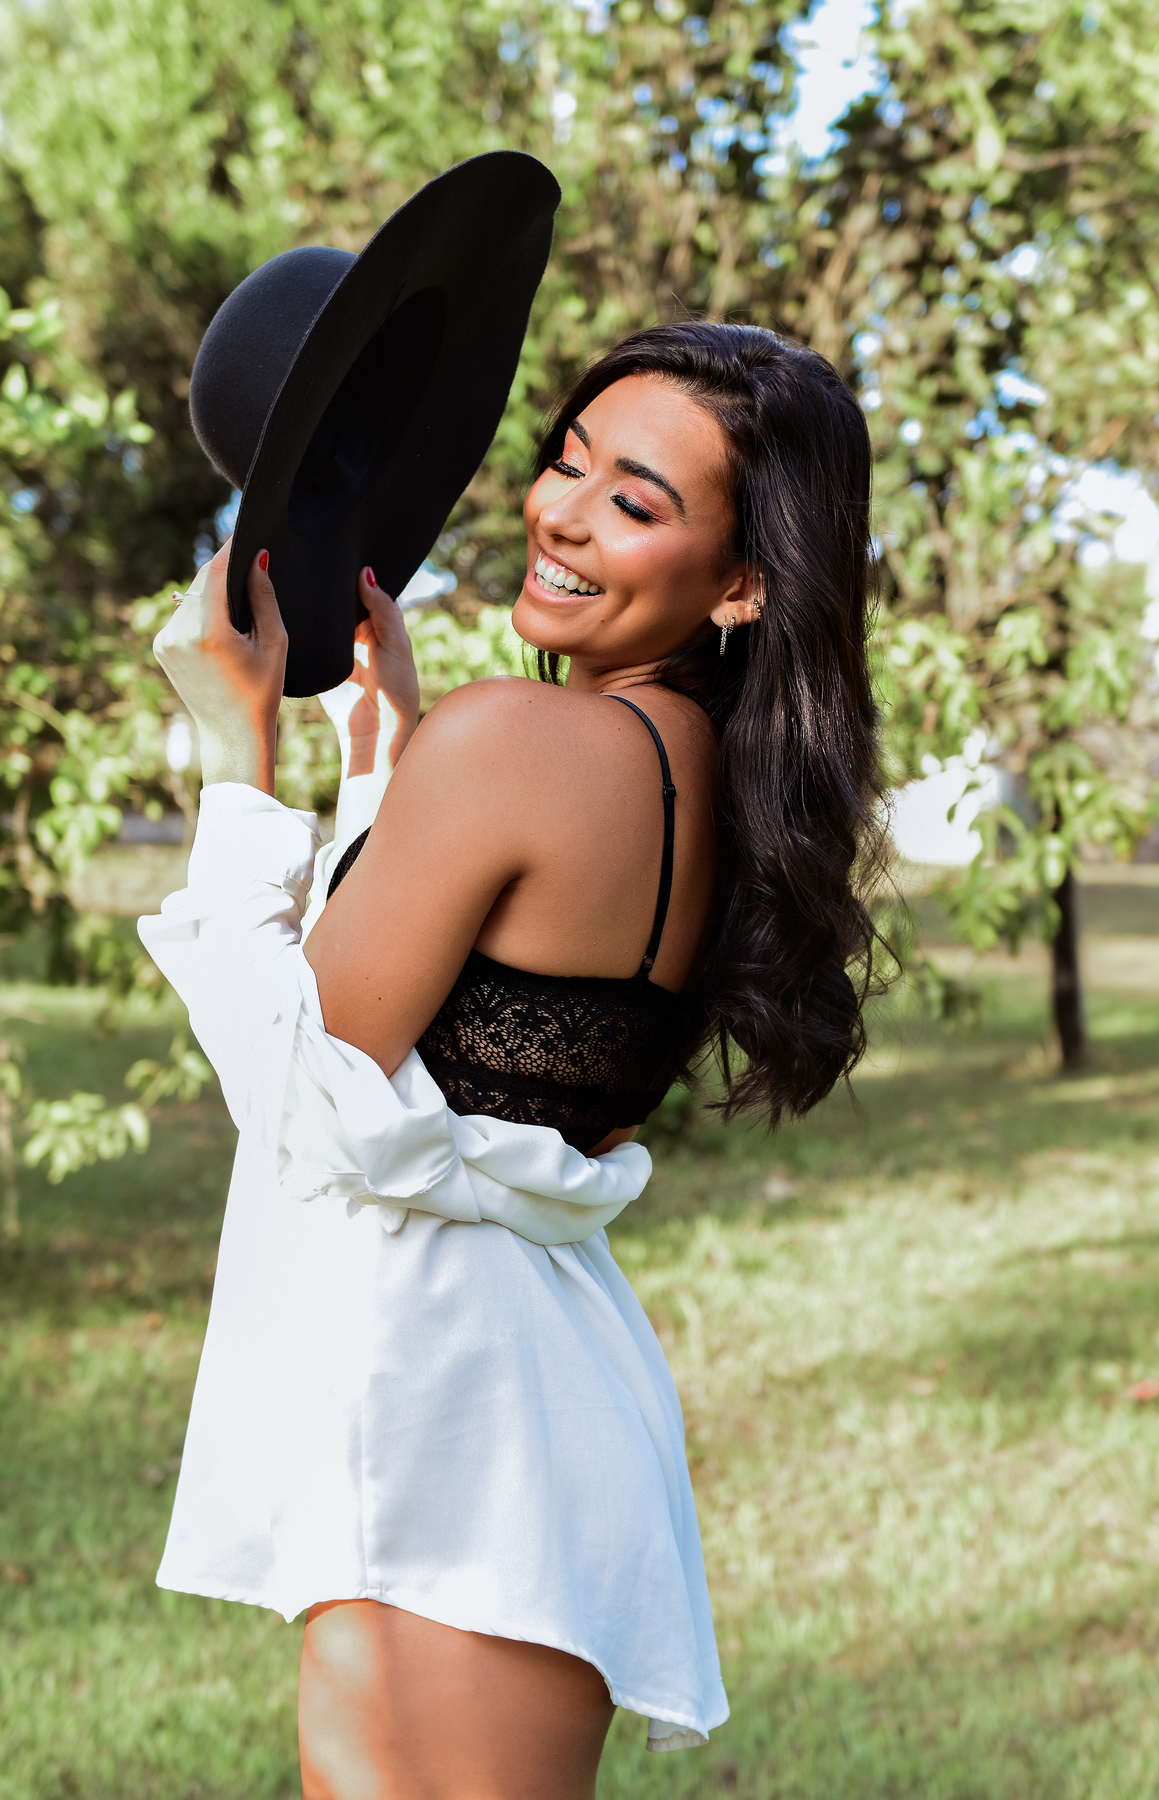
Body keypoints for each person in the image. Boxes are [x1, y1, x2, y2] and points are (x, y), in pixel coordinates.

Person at [143, 319, 884, 1800]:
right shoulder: (705, 771)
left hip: (438, 1413)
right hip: (528, 1395)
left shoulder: (521, 743)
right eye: (567, 461)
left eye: (636, 500)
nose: (564, 512)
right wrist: (389, 760)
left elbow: (306, 1099)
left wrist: (237, 764)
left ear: (744, 581)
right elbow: (474, 1039)